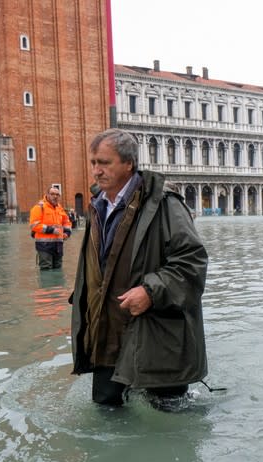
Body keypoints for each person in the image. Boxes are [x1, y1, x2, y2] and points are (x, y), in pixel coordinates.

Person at [70, 128, 209, 407]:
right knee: (107, 412)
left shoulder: (165, 205)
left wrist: (150, 291)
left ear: (129, 163)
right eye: (93, 163)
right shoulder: (98, 206)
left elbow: (192, 262)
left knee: (168, 420)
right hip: (106, 333)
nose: (96, 171)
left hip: (156, 335)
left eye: (104, 163)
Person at [29, 186, 72, 270]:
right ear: (47, 195)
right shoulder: (39, 207)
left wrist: (67, 233)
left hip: (58, 245)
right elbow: (34, 225)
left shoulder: (60, 208)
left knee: (58, 268)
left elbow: (67, 222)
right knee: (46, 269)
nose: (55, 196)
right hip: (44, 245)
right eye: (52, 194)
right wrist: (51, 230)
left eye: (57, 194)